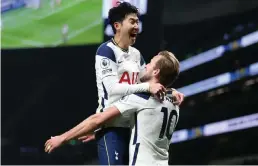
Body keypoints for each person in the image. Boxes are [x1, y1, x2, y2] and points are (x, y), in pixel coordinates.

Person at [46, 2, 184, 165]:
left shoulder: (137, 55)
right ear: (118, 26)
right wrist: (150, 87)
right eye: (132, 22)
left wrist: (170, 91)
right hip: (111, 126)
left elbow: (153, 79)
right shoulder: (107, 51)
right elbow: (113, 90)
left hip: (131, 125)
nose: (137, 27)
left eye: (137, 22)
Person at [45, 51, 180, 166]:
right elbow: (145, 123)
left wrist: (62, 138)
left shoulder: (143, 97)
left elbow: (96, 119)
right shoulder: (174, 102)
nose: (145, 66)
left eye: (150, 63)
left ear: (156, 71)